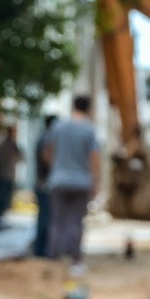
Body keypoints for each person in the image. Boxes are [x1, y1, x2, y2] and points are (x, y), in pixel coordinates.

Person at [42, 95, 100, 266]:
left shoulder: (58, 127)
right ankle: (74, 261)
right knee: (75, 221)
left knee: (57, 221)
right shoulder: (89, 130)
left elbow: (47, 151)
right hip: (81, 182)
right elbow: (94, 157)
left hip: (58, 180)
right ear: (88, 108)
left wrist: (57, 166)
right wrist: (96, 181)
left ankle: (54, 259)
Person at [0, 126, 21, 232]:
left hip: (7, 175)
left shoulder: (12, 144)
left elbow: (20, 156)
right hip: (2, 175)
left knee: (4, 198)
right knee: (0, 198)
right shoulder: (1, 143)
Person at [32, 115, 57, 257]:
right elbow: (47, 157)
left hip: (41, 183)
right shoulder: (47, 137)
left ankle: (41, 249)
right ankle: (41, 251)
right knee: (45, 218)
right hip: (44, 184)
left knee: (44, 216)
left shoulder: (42, 137)